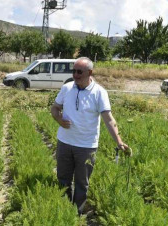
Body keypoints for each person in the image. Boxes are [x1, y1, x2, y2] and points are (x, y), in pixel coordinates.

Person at [50, 57, 130, 215]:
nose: (75, 75)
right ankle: (64, 213)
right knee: (63, 179)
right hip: (65, 143)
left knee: (81, 183)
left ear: (90, 72)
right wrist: (59, 119)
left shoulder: (99, 93)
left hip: (86, 147)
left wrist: (119, 141)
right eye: (73, 71)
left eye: (79, 72)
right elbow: (55, 108)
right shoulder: (67, 88)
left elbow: (108, 119)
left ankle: (76, 214)